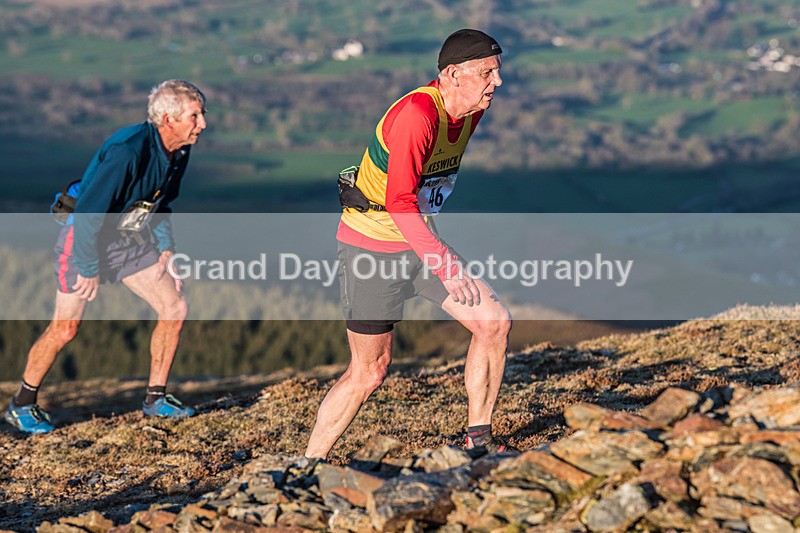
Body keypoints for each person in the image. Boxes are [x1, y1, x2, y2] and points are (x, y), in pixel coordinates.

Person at [305, 29, 514, 459]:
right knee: (369, 371)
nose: (497, 82)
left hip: (419, 245)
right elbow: (399, 201)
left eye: (497, 71)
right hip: (372, 250)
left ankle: (479, 441)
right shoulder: (418, 114)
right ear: (454, 75)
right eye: (487, 73)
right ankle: (307, 465)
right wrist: (445, 265)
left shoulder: (471, 111)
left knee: (493, 323)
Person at [4, 79, 207, 434]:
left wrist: (166, 250)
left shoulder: (180, 152)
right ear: (167, 119)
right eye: (195, 115)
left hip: (127, 239)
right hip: (85, 238)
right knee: (66, 329)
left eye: (202, 114)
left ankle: (155, 399)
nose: (202, 123)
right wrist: (88, 267)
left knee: (175, 306)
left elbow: (161, 204)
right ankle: (21, 404)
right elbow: (87, 216)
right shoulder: (128, 152)